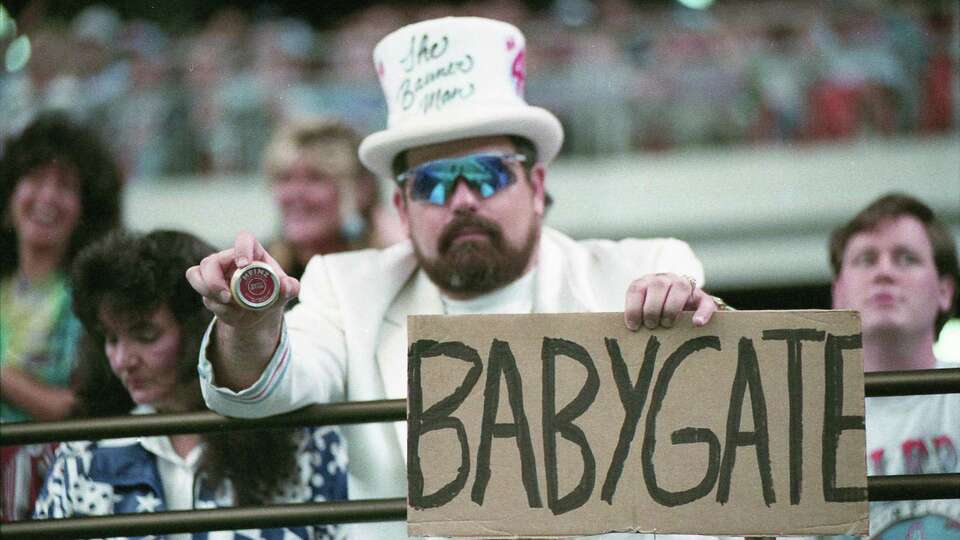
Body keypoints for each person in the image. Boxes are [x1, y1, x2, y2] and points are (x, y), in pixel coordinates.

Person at [187, 17, 723, 539]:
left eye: (488, 174)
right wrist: (249, 323)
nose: (464, 199)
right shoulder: (345, 287)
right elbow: (267, 388)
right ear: (401, 204)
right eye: (433, 184)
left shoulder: (642, 268)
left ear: (536, 186)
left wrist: (687, 321)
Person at [33, 230, 348, 539]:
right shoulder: (83, 456)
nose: (121, 359)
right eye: (110, 338)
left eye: (145, 335)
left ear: (198, 329)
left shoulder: (306, 443)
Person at [0, 111, 123, 520]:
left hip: (53, 491)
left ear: (86, 210)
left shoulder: (92, 300)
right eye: (34, 179)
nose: (47, 197)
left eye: (66, 186)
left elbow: (80, 411)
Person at [828, 193, 958, 538]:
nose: (884, 271)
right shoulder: (797, 419)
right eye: (866, 259)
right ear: (839, 292)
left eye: (906, 258)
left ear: (945, 291)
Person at [263, 117, 400, 282]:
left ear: (361, 190)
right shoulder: (258, 274)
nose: (295, 193)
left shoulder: (394, 271)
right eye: (285, 178)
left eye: (315, 178)